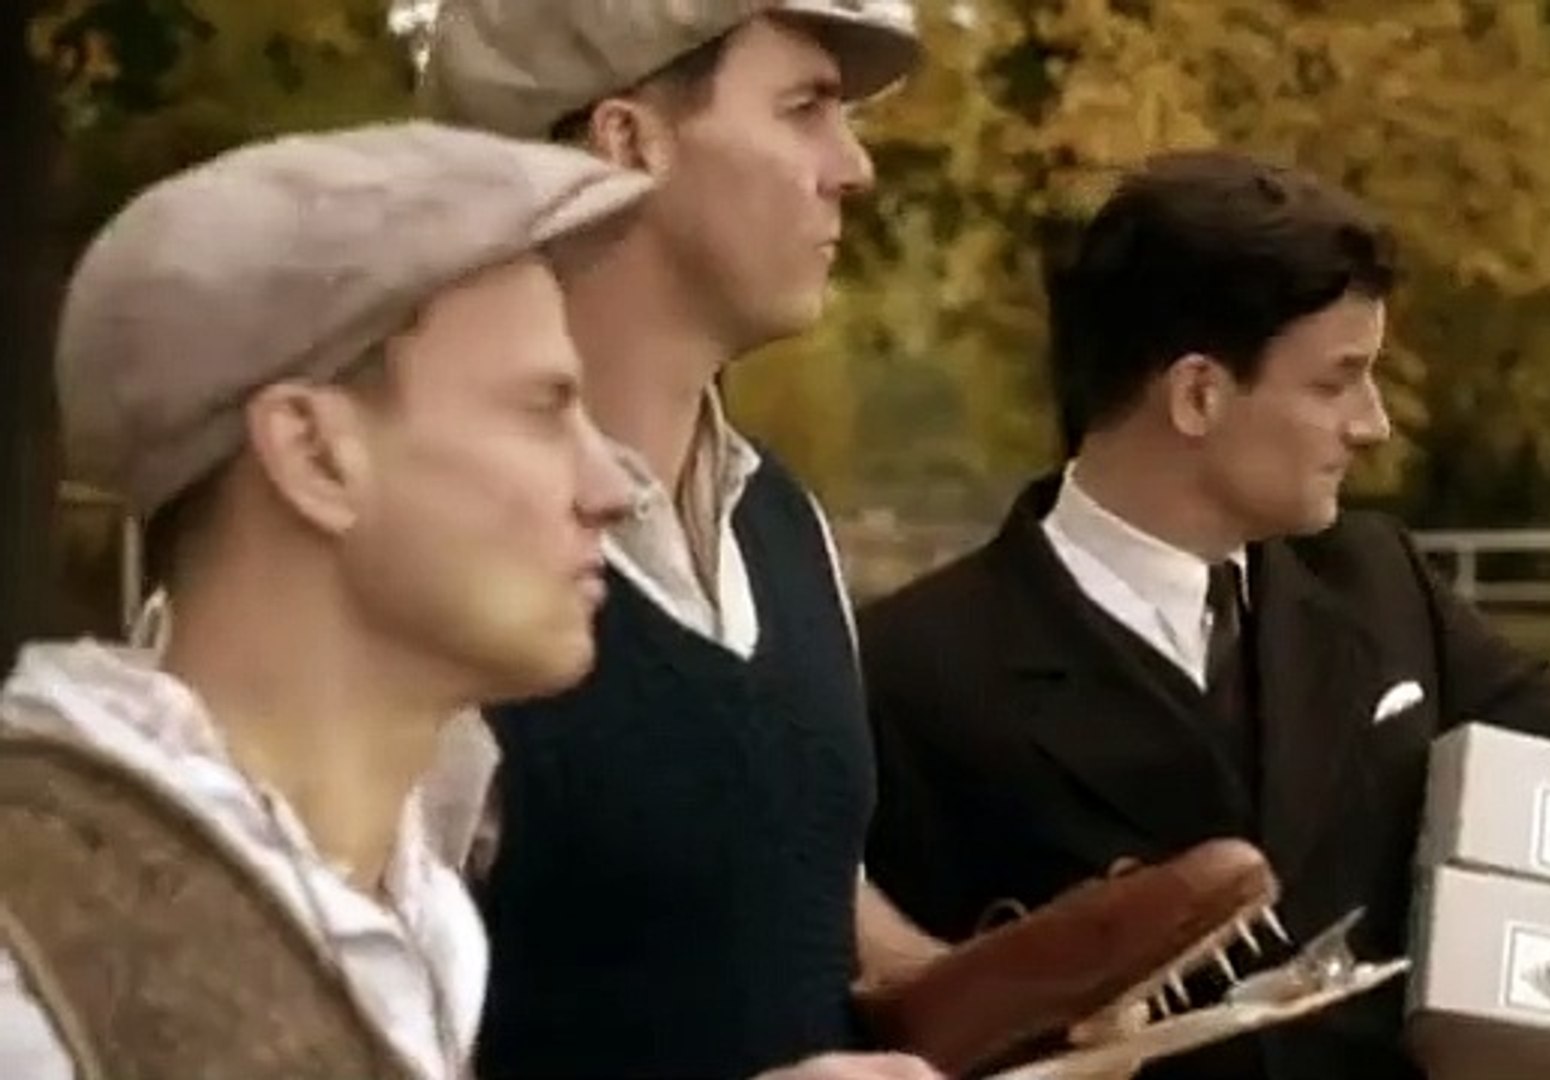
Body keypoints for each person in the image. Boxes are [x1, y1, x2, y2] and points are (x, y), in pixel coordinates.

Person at [857, 150, 1550, 1080]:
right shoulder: (907, 676)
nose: (1374, 423)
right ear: (1198, 395)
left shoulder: (1381, 584)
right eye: (1337, 381)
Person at [0, 121, 644, 1080]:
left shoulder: (412, 914)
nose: (614, 489)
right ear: (314, 454)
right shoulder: (29, 969)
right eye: (544, 409)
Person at [417, 2, 958, 1077]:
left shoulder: (783, 525)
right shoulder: (415, 570)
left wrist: (1008, 991)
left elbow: (774, 884)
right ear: (627, 143)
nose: (852, 167)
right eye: (804, 109)